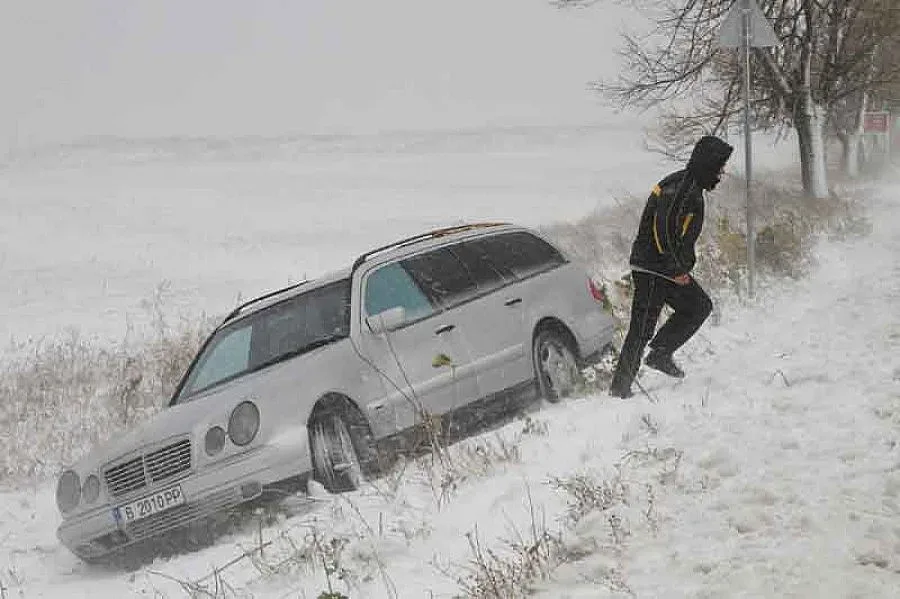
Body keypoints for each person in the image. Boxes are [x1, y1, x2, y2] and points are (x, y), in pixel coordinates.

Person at [609, 135, 733, 399]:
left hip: (664, 268)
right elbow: (663, 230)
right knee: (641, 329)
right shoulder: (680, 190)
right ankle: (620, 390)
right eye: (719, 167)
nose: (722, 174)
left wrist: (678, 267)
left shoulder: (690, 187)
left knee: (699, 306)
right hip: (654, 269)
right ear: (707, 165)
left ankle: (661, 353)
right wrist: (676, 268)